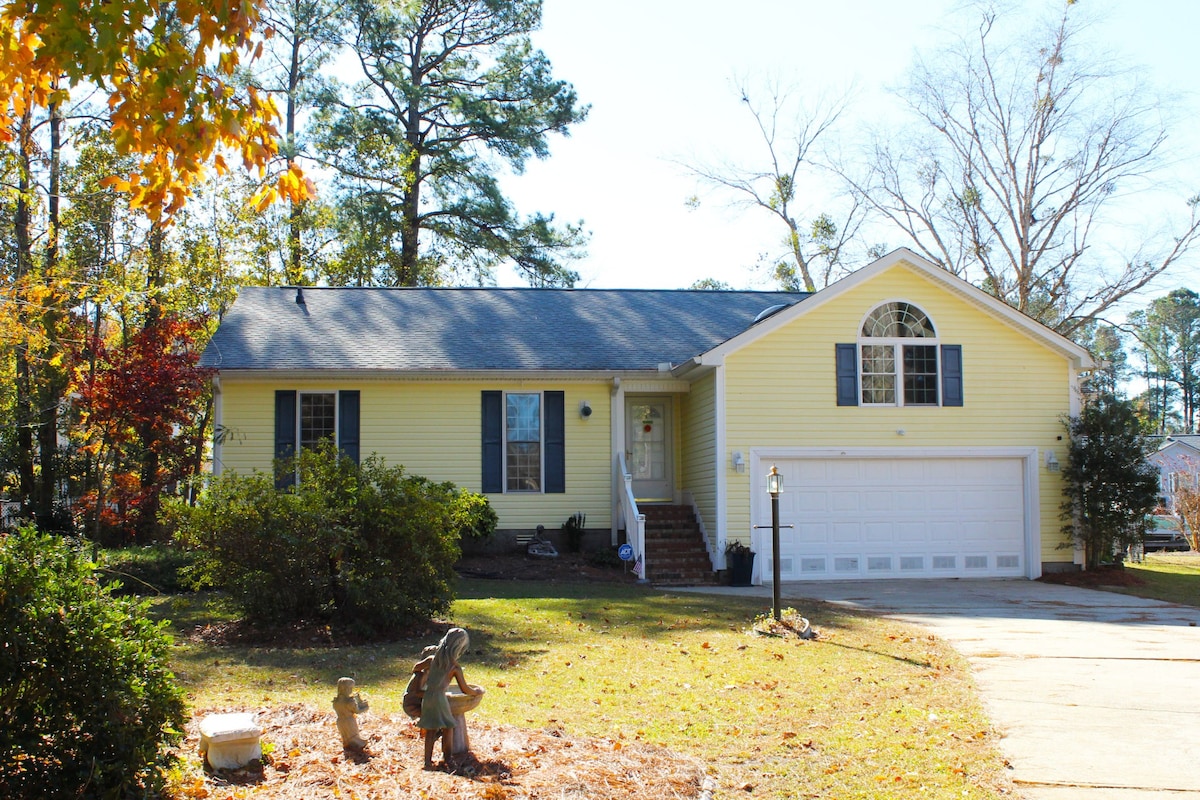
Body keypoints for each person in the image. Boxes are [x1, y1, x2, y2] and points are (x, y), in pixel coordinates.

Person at [418, 627, 480, 770]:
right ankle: (448, 758)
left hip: (428, 698)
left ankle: (427, 762)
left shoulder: (431, 660)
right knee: (448, 727)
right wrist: (475, 692)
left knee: (430, 729)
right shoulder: (454, 667)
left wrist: (423, 674)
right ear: (458, 647)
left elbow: (416, 667)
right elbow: (464, 689)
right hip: (440, 698)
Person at [331, 677, 369, 751]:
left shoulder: (336, 701)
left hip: (340, 721)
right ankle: (357, 750)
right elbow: (357, 711)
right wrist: (365, 706)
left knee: (345, 737)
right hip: (349, 721)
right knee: (354, 737)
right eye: (350, 688)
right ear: (346, 689)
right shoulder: (349, 702)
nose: (351, 690)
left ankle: (348, 749)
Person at [402, 645, 438, 719]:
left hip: (420, 702)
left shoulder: (429, 675)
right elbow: (417, 693)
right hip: (412, 706)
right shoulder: (421, 675)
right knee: (436, 714)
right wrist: (435, 695)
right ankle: (430, 729)